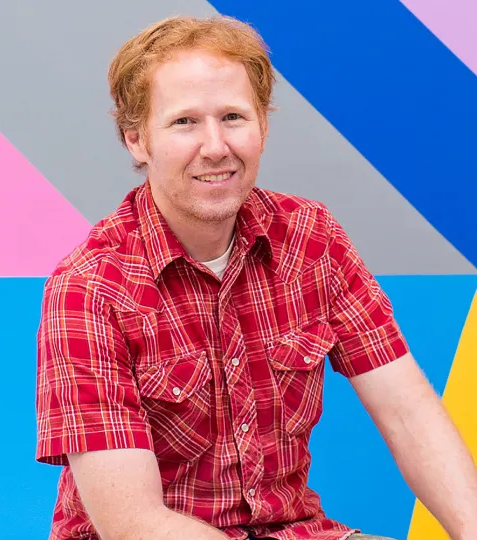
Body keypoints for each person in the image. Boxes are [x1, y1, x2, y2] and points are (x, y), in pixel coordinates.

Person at [35, 16, 477, 540]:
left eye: (233, 117)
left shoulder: (312, 238)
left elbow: (409, 414)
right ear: (136, 139)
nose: (216, 146)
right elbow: (132, 524)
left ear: (263, 127)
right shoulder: (90, 286)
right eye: (184, 122)